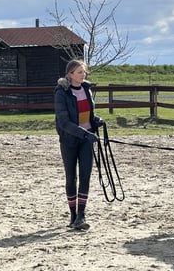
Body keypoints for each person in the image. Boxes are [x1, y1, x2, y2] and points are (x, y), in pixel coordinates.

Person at [54, 59, 104, 230]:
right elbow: (64, 121)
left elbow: (86, 113)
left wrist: (95, 121)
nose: (83, 75)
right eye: (80, 72)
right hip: (69, 140)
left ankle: (81, 215)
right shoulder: (62, 93)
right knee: (71, 177)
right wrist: (84, 133)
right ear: (70, 75)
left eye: (84, 72)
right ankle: (73, 214)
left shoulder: (86, 90)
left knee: (85, 175)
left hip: (86, 139)